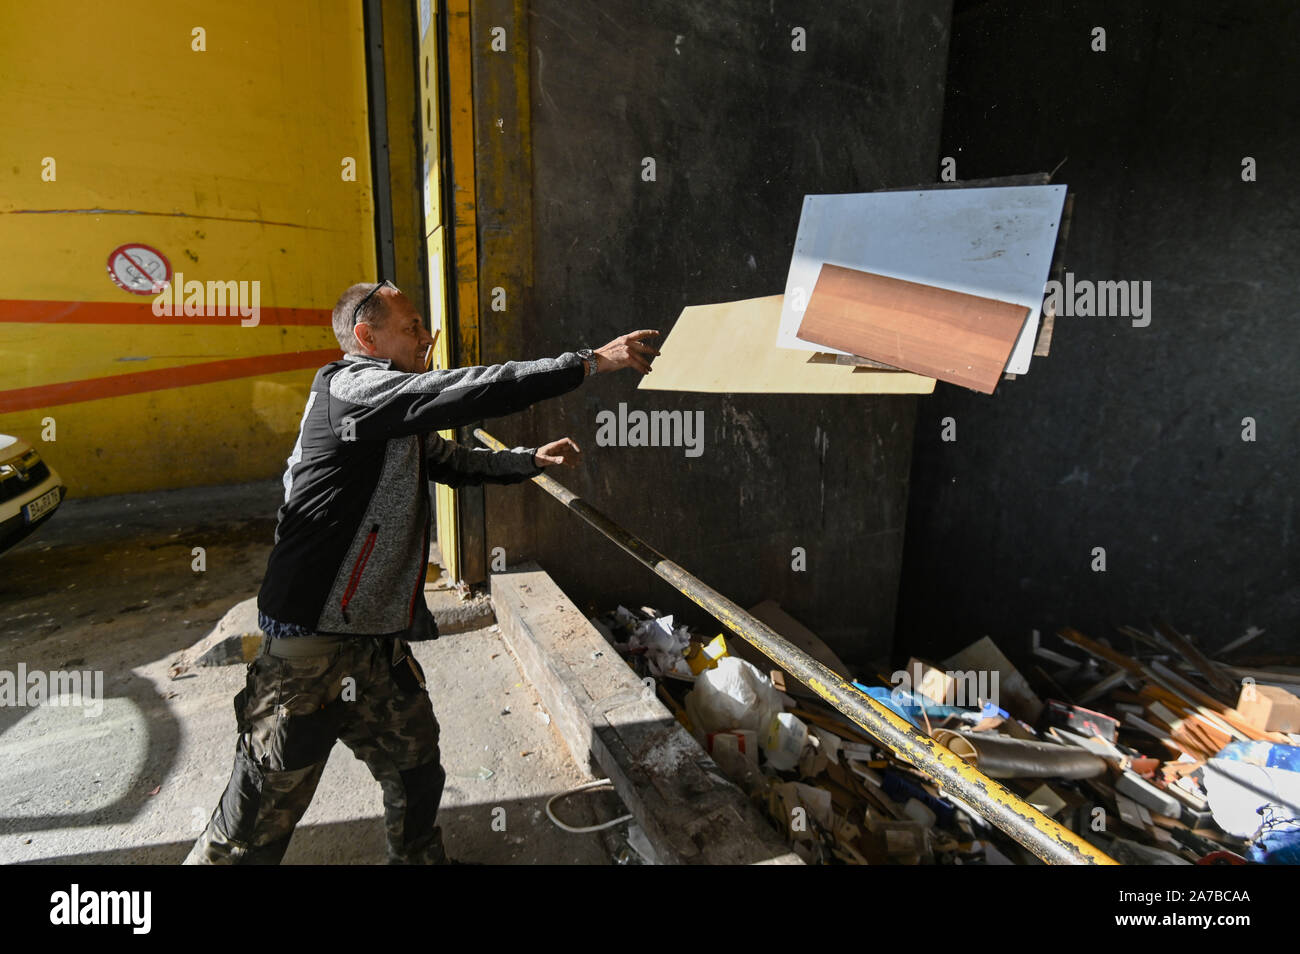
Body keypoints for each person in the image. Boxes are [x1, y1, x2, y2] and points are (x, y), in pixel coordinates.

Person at [184, 279, 659, 864]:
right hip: (309, 651)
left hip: (375, 643)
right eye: (411, 328)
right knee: (255, 818)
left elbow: (446, 459)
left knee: (415, 768)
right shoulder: (352, 389)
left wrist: (525, 462)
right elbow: (463, 391)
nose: (427, 338)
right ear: (366, 336)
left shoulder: (390, 414)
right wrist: (587, 363)